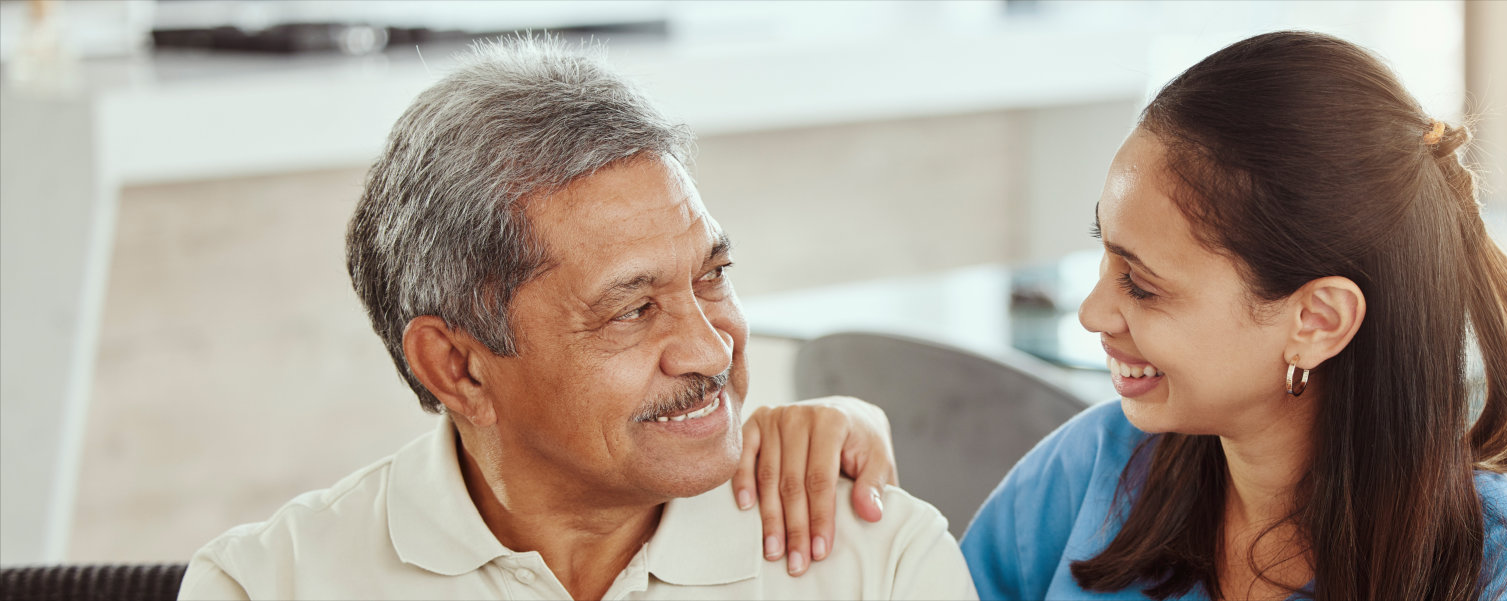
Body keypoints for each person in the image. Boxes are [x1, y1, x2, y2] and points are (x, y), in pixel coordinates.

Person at [732, 31, 1507, 600]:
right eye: (1102, 254)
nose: (1091, 310)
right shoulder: (1098, 465)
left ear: (1317, 320)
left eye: (1143, 285)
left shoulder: (1503, 575)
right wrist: (851, 460)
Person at [177, 36, 975, 601]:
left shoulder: (880, 561)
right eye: (633, 310)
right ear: (456, 366)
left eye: (713, 275)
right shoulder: (264, 584)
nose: (707, 346)